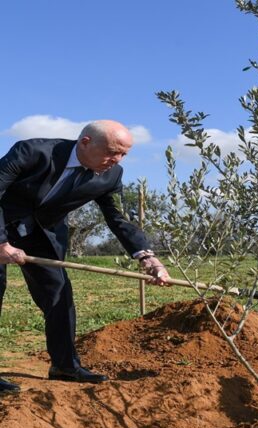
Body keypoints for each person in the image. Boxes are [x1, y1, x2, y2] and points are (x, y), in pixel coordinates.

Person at [0, 120, 170, 392]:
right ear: (86, 142)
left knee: (59, 294)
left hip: (42, 234)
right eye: (112, 151)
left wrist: (147, 257)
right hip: (1, 223)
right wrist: (1, 243)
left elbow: (118, 219)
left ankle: (65, 366)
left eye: (124, 154)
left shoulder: (110, 176)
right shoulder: (33, 152)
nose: (116, 160)